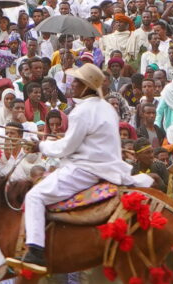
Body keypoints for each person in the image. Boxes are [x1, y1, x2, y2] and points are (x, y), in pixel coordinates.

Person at [21, 63, 129, 264]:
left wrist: (41, 146)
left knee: (34, 196)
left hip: (85, 169)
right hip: (111, 168)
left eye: (77, 81)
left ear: (87, 87)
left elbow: (66, 148)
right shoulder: (108, 108)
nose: (72, 84)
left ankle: (36, 251)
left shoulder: (81, 111)